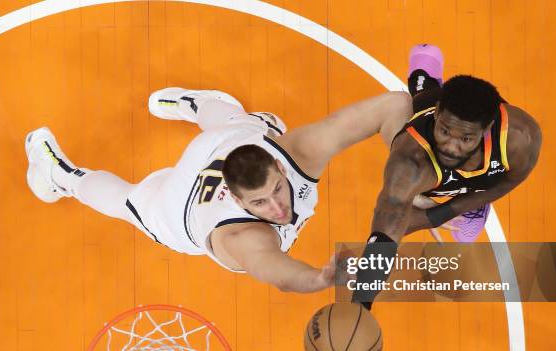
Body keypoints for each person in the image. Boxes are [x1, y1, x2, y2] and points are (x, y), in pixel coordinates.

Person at [25, 86, 411, 293]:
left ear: (279, 167)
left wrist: (406, 173)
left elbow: (394, 104)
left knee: (256, 123)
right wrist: (320, 278)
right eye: (259, 202)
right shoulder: (242, 235)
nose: (277, 208)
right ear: (238, 199)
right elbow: (273, 270)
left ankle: (198, 103)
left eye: (277, 189)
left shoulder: (297, 153)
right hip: (176, 210)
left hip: (230, 140)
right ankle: (63, 176)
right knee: (129, 203)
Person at [352, 44, 542, 308]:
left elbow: (511, 179)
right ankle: (425, 80)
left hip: (481, 169)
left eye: (465, 138)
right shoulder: (410, 162)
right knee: (422, 95)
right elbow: (383, 235)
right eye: (444, 131)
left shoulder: (521, 138)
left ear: (486, 129)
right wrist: (360, 304)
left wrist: (437, 216)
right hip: (429, 165)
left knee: (468, 215)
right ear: (438, 115)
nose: (451, 146)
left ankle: (473, 197)